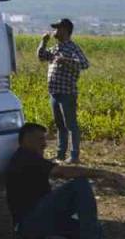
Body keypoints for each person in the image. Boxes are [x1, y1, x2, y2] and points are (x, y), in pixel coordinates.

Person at [6, 122, 123, 239]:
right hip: (29, 223)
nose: (44, 144)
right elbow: (63, 172)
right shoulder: (25, 158)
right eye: (41, 139)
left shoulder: (28, 158)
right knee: (80, 185)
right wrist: (102, 173)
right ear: (27, 140)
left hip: (41, 220)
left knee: (92, 229)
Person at [38, 18, 91, 162]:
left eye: (57, 28)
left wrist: (66, 61)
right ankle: (61, 154)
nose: (55, 31)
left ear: (65, 31)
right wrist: (43, 42)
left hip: (67, 93)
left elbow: (85, 64)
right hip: (54, 93)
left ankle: (74, 156)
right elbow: (41, 56)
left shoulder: (72, 48)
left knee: (71, 125)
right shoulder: (56, 48)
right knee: (60, 125)